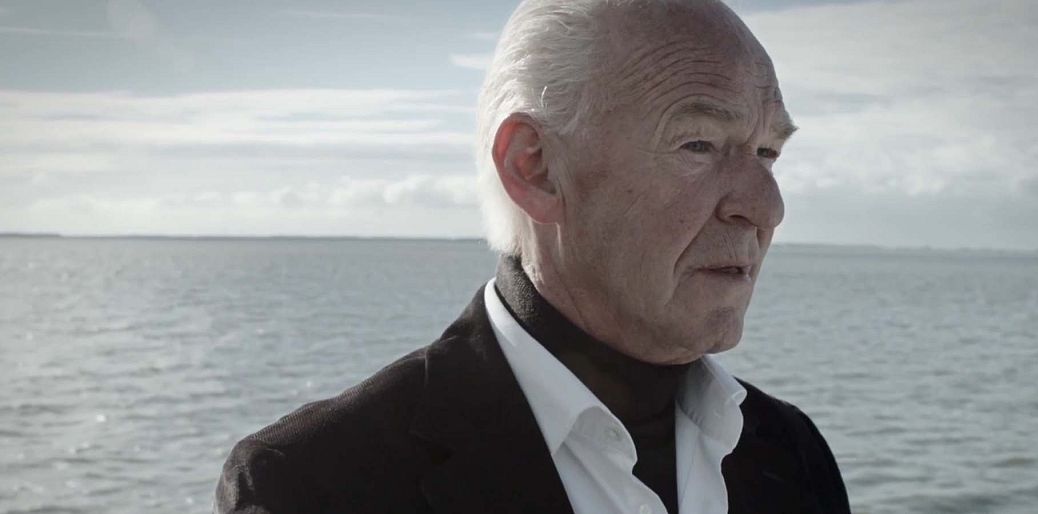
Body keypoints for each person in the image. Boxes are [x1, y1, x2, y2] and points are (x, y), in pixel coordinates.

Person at [215, 0, 850, 512]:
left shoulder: (793, 452)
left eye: (768, 153)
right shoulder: (311, 487)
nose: (766, 207)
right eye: (699, 144)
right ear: (535, 167)